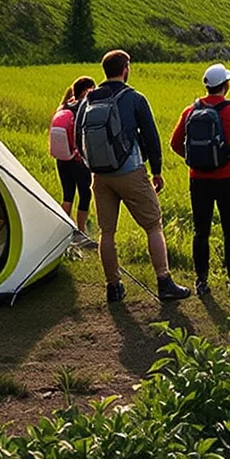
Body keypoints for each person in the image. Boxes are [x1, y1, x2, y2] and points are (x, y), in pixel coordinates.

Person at [77, 49, 191, 305]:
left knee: (107, 232)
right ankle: (164, 282)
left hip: (99, 176)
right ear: (125, 69)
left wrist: (92, 166)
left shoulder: (88, 100)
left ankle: (113, 287)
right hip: (130, 171)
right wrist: (157, 170)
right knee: (153, 225)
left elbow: (78, 139)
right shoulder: (134, 98)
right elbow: (150, 135)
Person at [171, 61, 230, 296]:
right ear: (225, 85)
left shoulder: (190, 111)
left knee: (201, 231)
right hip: (227, 178)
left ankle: (201, 282)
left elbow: (174, 144)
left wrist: (194, 160)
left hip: (197, 179)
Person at [47, 75, 97, 243]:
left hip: (62, 158)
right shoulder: (84, 108)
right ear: (86, 91)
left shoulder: (63, 107)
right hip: (78, 160)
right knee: (85, 194)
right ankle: (81, 234)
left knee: (68, 194)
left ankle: (63, 230)